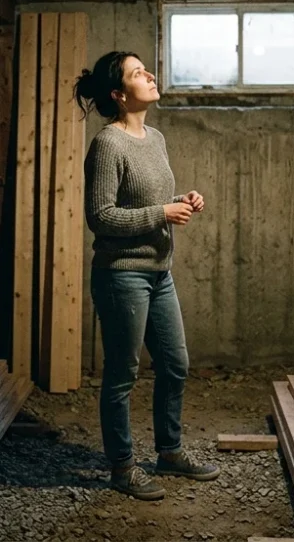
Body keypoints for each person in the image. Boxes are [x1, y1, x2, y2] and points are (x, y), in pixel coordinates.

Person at [74, 51, 220, 501]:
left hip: (159, 273)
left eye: (146, 69)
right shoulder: (108, 144)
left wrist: (183, 200)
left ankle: (169, 452)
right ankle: (122, 467)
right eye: (138, 73)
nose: (150, 75)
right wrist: (161, 213)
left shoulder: (155, 138)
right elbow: (100, 216)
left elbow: (149, 199)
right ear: (119, 94)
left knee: (175, 365)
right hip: (122, 276)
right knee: (123, 373)